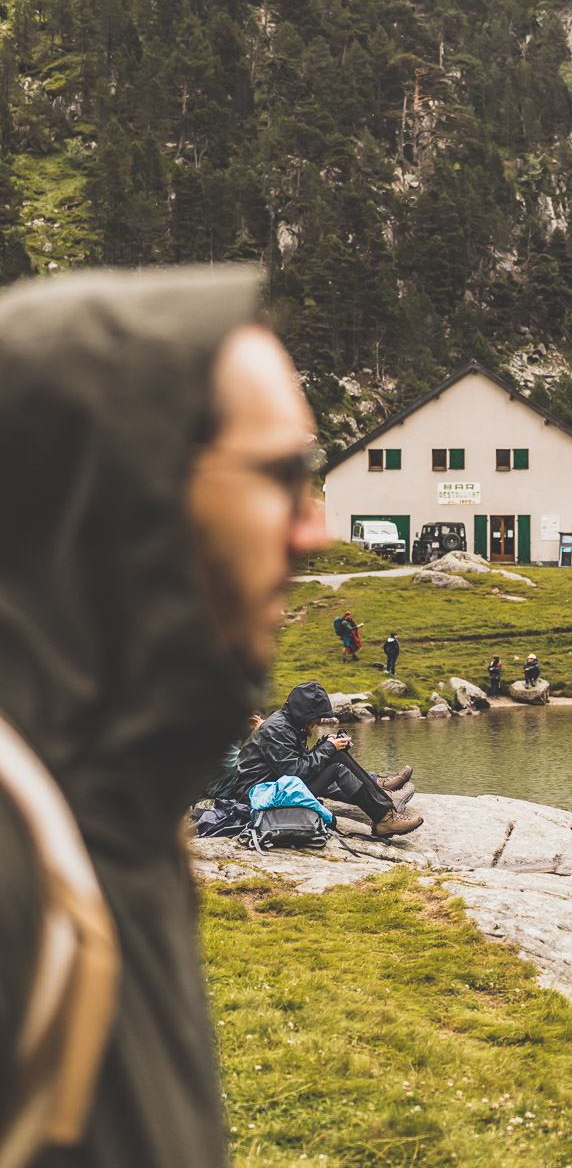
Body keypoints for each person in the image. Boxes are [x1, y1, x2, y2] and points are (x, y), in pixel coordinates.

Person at [0, 265, 330, 1168]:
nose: (318, 529)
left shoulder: (113, 805)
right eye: (282, 475)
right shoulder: (17, 864)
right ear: (126, 497)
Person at [234, 682, 421, 835]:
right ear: (306, 714)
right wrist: (326, 749)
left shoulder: (289, 725)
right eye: (318, 717)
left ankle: (385, 807)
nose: (320, 722)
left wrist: (323, 746)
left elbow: (296, 765)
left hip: (278, 786)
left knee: (337, 755)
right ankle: (385, 817)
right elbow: (295, 772)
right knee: (337, 764)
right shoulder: (277, 729)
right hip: (260, 795)